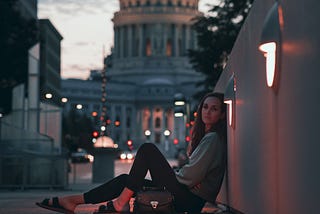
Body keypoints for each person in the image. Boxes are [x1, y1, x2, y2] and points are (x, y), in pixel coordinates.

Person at [36, 92, 227, 214]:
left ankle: (119, 203)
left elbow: (190, 177)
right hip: (188, 197)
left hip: (190, 200)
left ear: (222, 114)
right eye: (205, 107)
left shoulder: (212, 139)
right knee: (125, 180)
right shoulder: (208, 137)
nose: (208, 112)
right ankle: (73, 201)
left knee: (147, 150)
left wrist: (171, 173)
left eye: (214, 108)